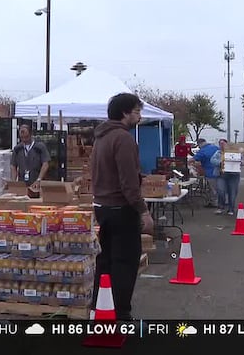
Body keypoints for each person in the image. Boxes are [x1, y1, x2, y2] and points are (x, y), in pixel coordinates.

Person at [89, 93, 154, 321]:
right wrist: (143, 211)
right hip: (120, 209)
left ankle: (101, 309)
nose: (139, 115)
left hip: (102, 207)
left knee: (105, 261)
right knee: (125, 263)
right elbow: (128, 183)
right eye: (137, 111)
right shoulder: (123, 138)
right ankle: (121, 314)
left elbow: (107, 173)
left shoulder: (101, 137)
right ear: (125, 113)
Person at [10, 124, 51, 189]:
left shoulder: (40, 147)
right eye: (22, 138)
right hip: (22, 183)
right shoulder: (17, 149)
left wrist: (39, 180)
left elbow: (45, 164)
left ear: (31, 134)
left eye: (26, 137)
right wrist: (13, 182)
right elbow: (13, 166)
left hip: (36, 182)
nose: (24, 140)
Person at [192, 138, 223, 212]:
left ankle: (214, 202)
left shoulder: (202, 151)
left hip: (210, 172)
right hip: (220, 171)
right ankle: (222, 201)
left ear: (200, 144)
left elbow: (193, 160)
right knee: (220, 187)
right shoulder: (215, 147)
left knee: (213, 189)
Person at [217, 139, 242, 215]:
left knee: (232, 192)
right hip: (222, 174)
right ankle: (221, 207)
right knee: (221, 191)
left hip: (234, 175)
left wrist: (239, 162)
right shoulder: (218, 153)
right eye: (220, 144)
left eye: (224, 144)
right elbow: (212, 160)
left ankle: (231, 209)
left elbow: (242, 162)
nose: (222, 145)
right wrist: (221, 162)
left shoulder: (237, 153)